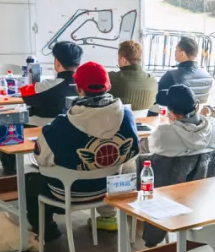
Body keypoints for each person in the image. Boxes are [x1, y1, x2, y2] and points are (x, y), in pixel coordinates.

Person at [27, 62, 140, 240]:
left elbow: (41, 158)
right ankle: (107, 216)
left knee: (30, 180)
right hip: (110, 190)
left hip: (68, 194)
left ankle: (48, 231)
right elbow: (133, 151)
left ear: (78, 89)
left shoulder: (61, 125)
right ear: (108, 86)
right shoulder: (127, 117)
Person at [139, 85, 215, 248]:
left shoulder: (163, 134)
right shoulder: (213, 126)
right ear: (197, 106)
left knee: (141, 160)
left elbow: (147, 148)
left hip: (168, 198)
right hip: (203, 195)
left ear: (173, 114)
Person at [0, 41, 84, 175]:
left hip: (42, 127)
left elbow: (26, 94)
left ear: (57, 62)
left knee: (10, 122)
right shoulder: (84, 85)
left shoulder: (48, 85)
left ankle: (10, 171)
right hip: (74, 129)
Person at [155, 36, 212, 108]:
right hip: (197, 113)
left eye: (176, 51)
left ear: (182, 54)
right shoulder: (207, 76)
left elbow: (157, 96)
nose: (174, 53)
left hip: (176, 113)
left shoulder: (171, 75)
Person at [108, 40, 157, 112]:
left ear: (123, 60)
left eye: (118, 58)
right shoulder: (152, 80)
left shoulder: (111, 78)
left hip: (118, 118)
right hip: (144, 118)